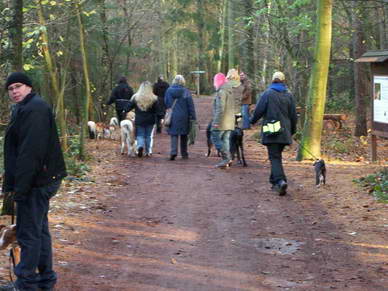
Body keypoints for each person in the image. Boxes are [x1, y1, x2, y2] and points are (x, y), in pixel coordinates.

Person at [1, 72, 67, 290]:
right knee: (38, 231)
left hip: (37, 181)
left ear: (29, 87)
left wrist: (20, 189)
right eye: (10, 89)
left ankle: (26, 283)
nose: (14, 91)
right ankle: (44, 279)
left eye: (18, 86)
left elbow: (31, 153)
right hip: (38, 179)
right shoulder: (23, 109)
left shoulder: (35, 109)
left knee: (28, 233)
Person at [250, 71, 297, 196]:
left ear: (272, 80)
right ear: (283, 81)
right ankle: (274, 181)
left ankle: (280, 181)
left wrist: (251, 121)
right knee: (276, 156)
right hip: (285, 131)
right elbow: (293, 115)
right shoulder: (289, 95)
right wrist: (292, 131)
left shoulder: (268, 93)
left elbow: (259, 110)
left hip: (272, 130)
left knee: (274, 157)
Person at [164, 75, 196, 160]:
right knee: (184, 134)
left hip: (173, 115)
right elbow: (190, 105)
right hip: (184, 115)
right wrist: (193, 117)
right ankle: (184, 153)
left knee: (174, 134)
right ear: (183, 81)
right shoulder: (186, 91)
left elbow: (166, 103)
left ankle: (173, 152)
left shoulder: (169, 90)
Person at [125, 81, 159, 157]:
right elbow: (157, 110)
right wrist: (160, 118)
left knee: (140, 135)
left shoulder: (135, 97)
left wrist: (125, 110)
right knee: (148, 136)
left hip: (139, 119)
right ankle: (147, 151)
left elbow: (129, 106)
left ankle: (140, 146)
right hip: (150, 120)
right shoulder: (154, 98)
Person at [210, 72, 235, 168]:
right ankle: (227, 160)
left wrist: (216, 122)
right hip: (229, 121)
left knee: (215, 137)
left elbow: (220, 108)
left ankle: (226, 158)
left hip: (222, 121)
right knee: (225, 140)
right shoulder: (229, 90)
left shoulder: (222, 92)